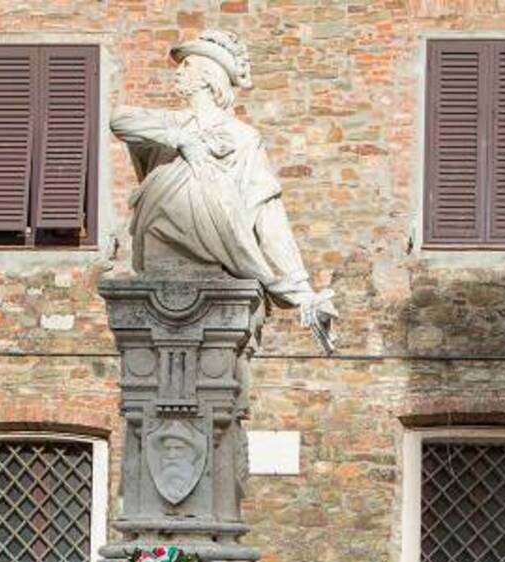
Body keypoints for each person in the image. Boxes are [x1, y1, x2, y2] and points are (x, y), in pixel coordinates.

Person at [110, 28, 337, 350]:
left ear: (207, 76)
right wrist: (183, 140)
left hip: (215, 251)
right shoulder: (169, 126)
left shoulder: (242, 138)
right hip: (160, 245)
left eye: (186, 66)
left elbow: (267, 215)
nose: (177, 72)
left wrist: (302, 292)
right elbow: (119, 120)